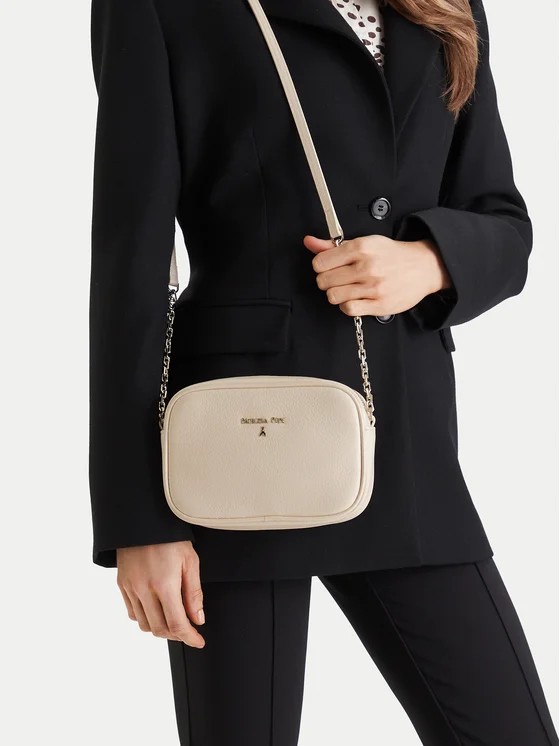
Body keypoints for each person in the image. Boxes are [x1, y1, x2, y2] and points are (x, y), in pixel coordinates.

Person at [88, 0, 558, 743]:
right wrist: (138, 519)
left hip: (404, 439)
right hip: (239, 448)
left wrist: (430, 260)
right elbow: (130, 266)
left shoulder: (446, 5)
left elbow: (504, 222)